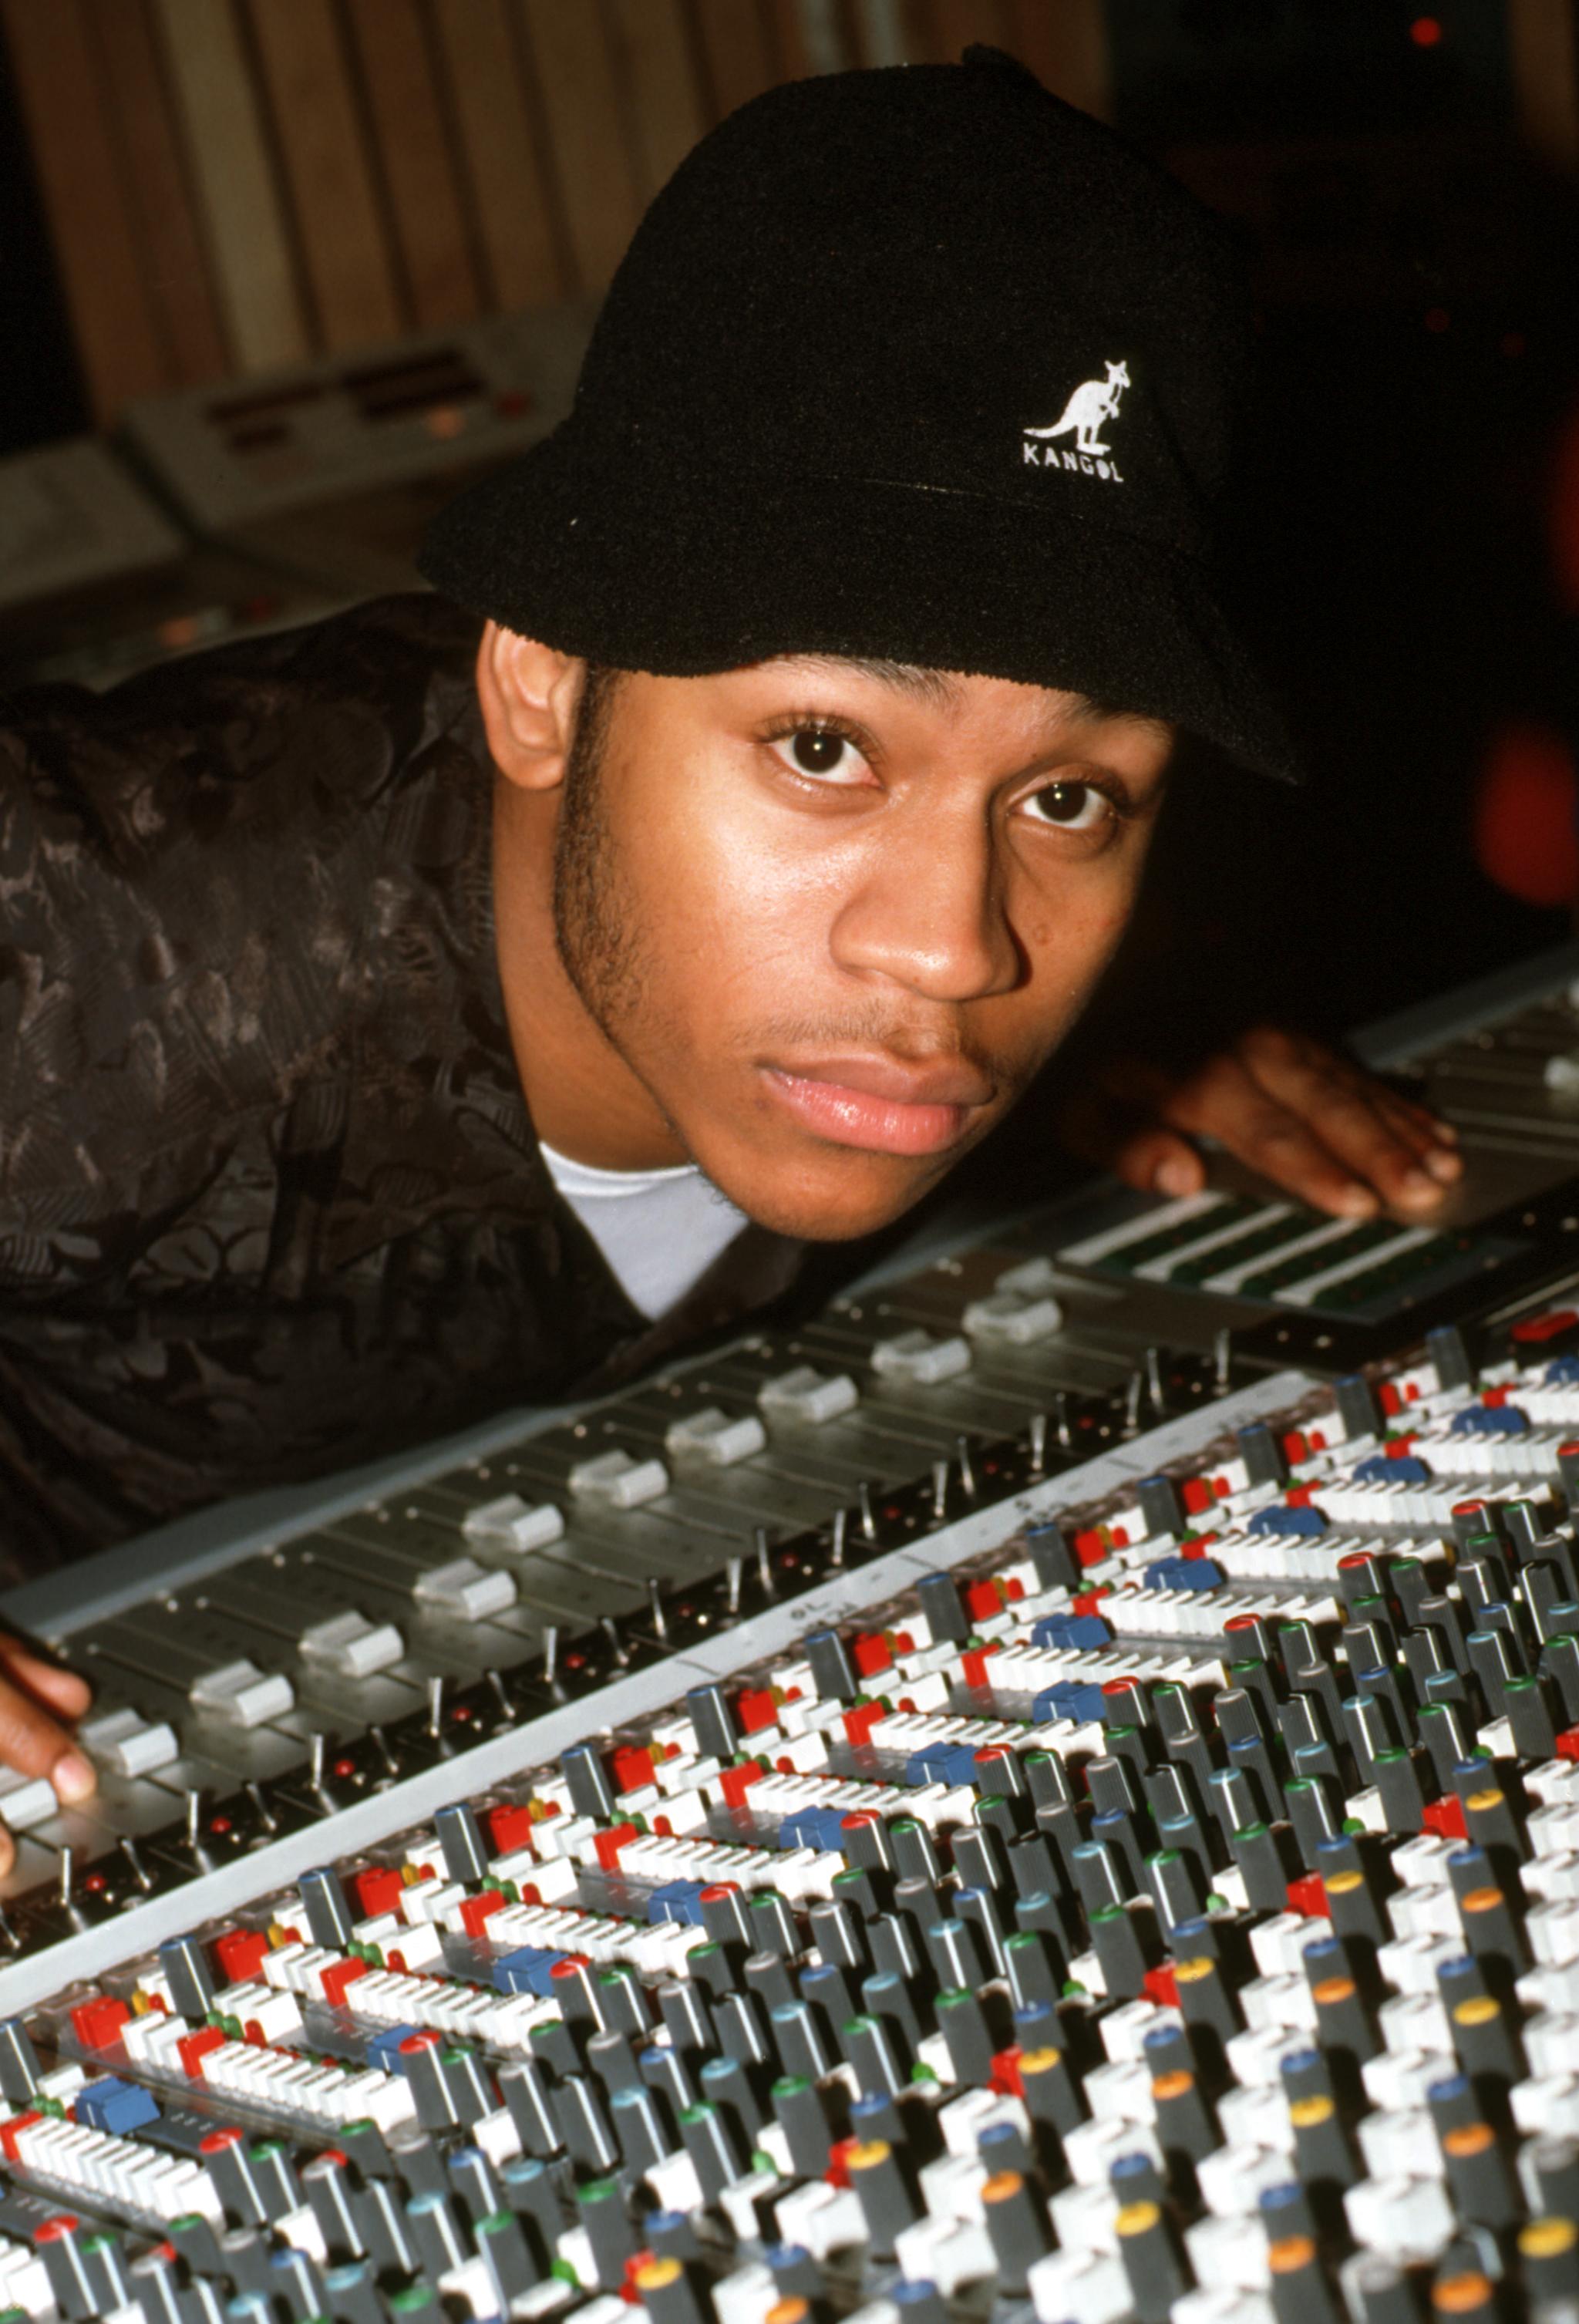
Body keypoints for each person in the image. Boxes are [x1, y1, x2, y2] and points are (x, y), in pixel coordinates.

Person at [0, 51, 1457, 1837]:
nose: (952, 953)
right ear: (541, 682)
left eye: (1068, 798)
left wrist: (1171, 1021)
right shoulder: (102, 925)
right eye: (824, 749)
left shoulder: (1086, 971)